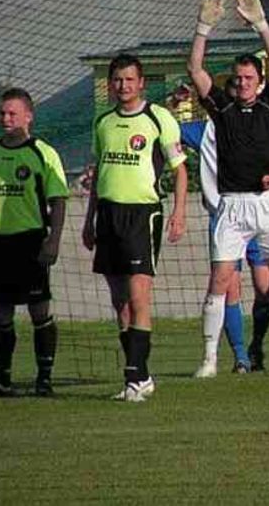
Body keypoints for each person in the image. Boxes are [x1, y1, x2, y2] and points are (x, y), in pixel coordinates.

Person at [187, 0, 269, 377]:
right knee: (219, 280)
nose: (244, 83)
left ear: (260, 80)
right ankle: (209, 359)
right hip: (231, 206)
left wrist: (261, 25)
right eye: (238, 78)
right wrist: (204, 27)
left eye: (250, 77)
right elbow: (195, 72)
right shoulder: (223, 109)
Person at [82, 55, 188, 402]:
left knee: (140, 295)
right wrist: (88, 219)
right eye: (117, 80)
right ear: (110, 84)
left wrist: (179, 212)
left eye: (129, 80)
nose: (123, 86)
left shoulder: (159, 118)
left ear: (141, 82)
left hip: (143, 215)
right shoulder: (103, 122)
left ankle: (134, 378)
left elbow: (180, 170)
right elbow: (98, 174)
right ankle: (139, 377)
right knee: (119, 301)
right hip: (109, 215)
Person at [0, 88, 69, 397]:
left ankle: (44, 379)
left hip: (30, 242)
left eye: (12, 113)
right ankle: (3, 379)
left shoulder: (43, 154)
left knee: (39, 311)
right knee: (1, 313)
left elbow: (58, 201)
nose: (6, 118)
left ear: (28, 116)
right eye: (3, 113)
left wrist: (53, 241)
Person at [169, 81, 269, 377]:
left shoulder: (256, 121)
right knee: (230, 287)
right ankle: (240, 357)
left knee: (265, 288)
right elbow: (166, 130)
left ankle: (257, 346)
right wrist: (175, 105)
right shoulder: (204, 130)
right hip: (224, 216)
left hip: (259, 210)